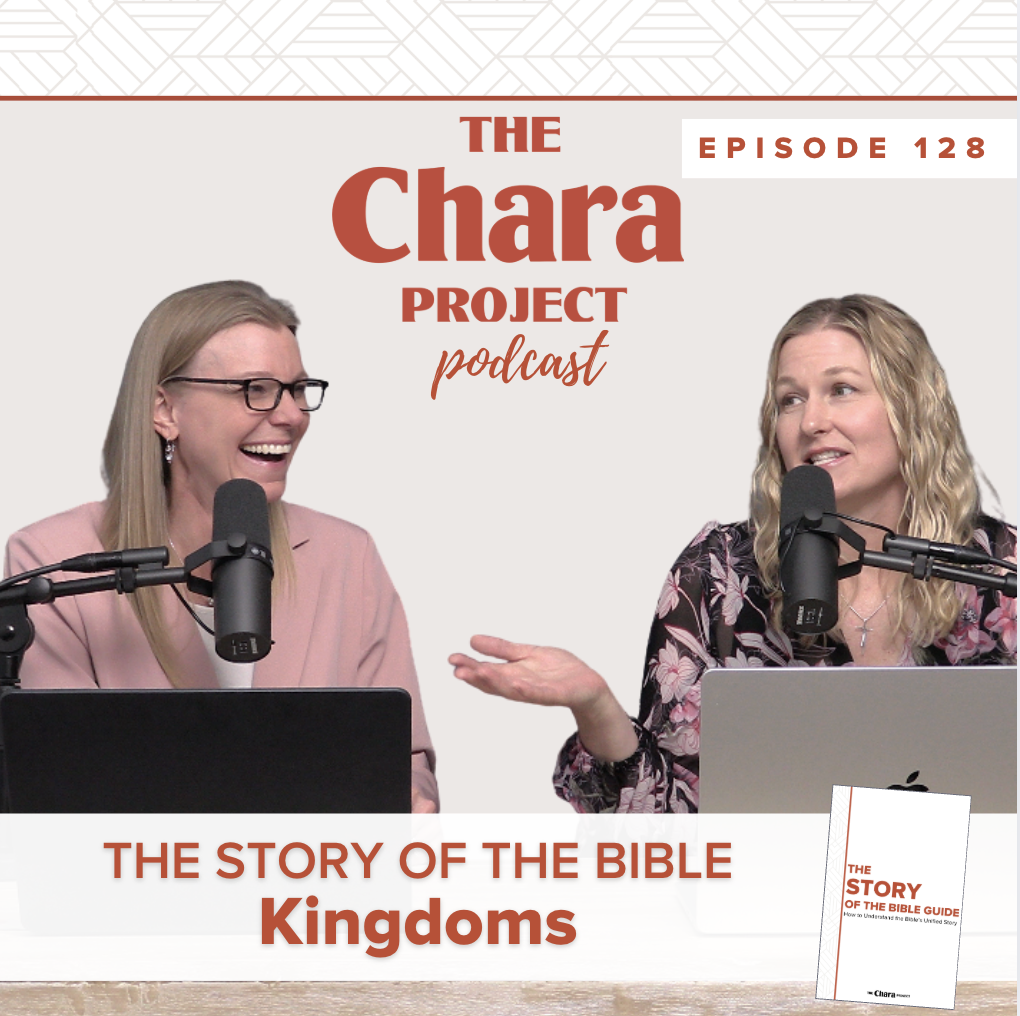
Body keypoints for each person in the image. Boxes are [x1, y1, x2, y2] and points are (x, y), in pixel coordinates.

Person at [450, 295, 1016, 813]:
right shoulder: (719, 573)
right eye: (790, 399)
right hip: (765, 906)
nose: (811, 421)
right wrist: (596, 706)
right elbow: (665, 823)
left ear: (911, 406)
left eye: (841, 389)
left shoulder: (999, 571)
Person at [4, 280, 438, 812]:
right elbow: (64, 788)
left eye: (297, 389)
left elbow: (403, 757)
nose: (292, 416)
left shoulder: (347, 556)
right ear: (165, 410)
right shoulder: (52, 560)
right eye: (255, 388)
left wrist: (412, 799)